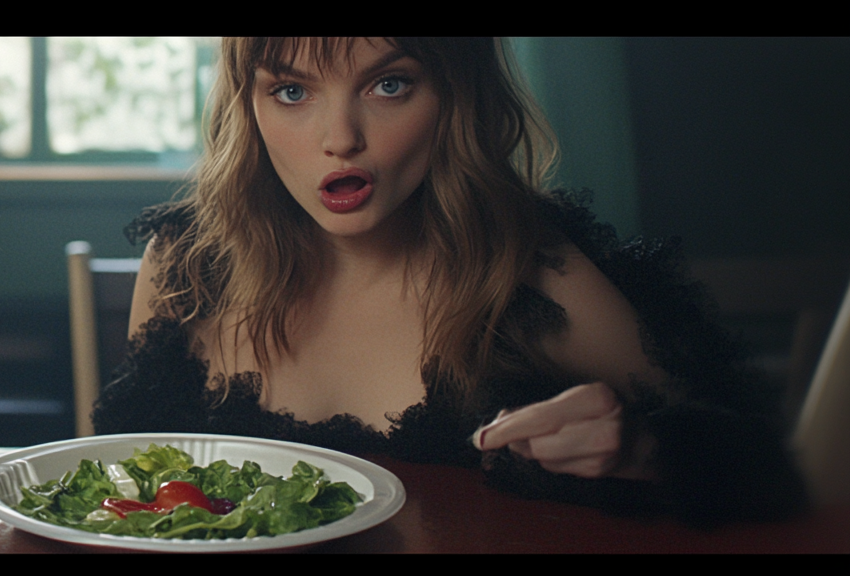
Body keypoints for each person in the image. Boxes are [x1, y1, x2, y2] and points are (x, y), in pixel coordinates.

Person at [93, 37, 806, 524]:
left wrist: (642, 450)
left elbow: (768, 472)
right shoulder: (185, 267)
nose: (340, 137)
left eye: (390, 84)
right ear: (247, 104)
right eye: (291, 90)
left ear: (455, 96)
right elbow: (131, 497)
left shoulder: (532, 275)